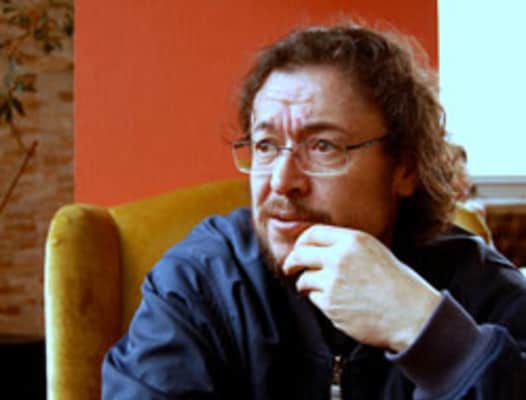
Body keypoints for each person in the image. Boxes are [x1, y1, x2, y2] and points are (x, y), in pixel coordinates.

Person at [102, 22, 526, 399]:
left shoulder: (479, 286)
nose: (282, 180)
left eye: (323, 146)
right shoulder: (199, 282)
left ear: (405, 168)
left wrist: (426, 331)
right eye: (266, 146)